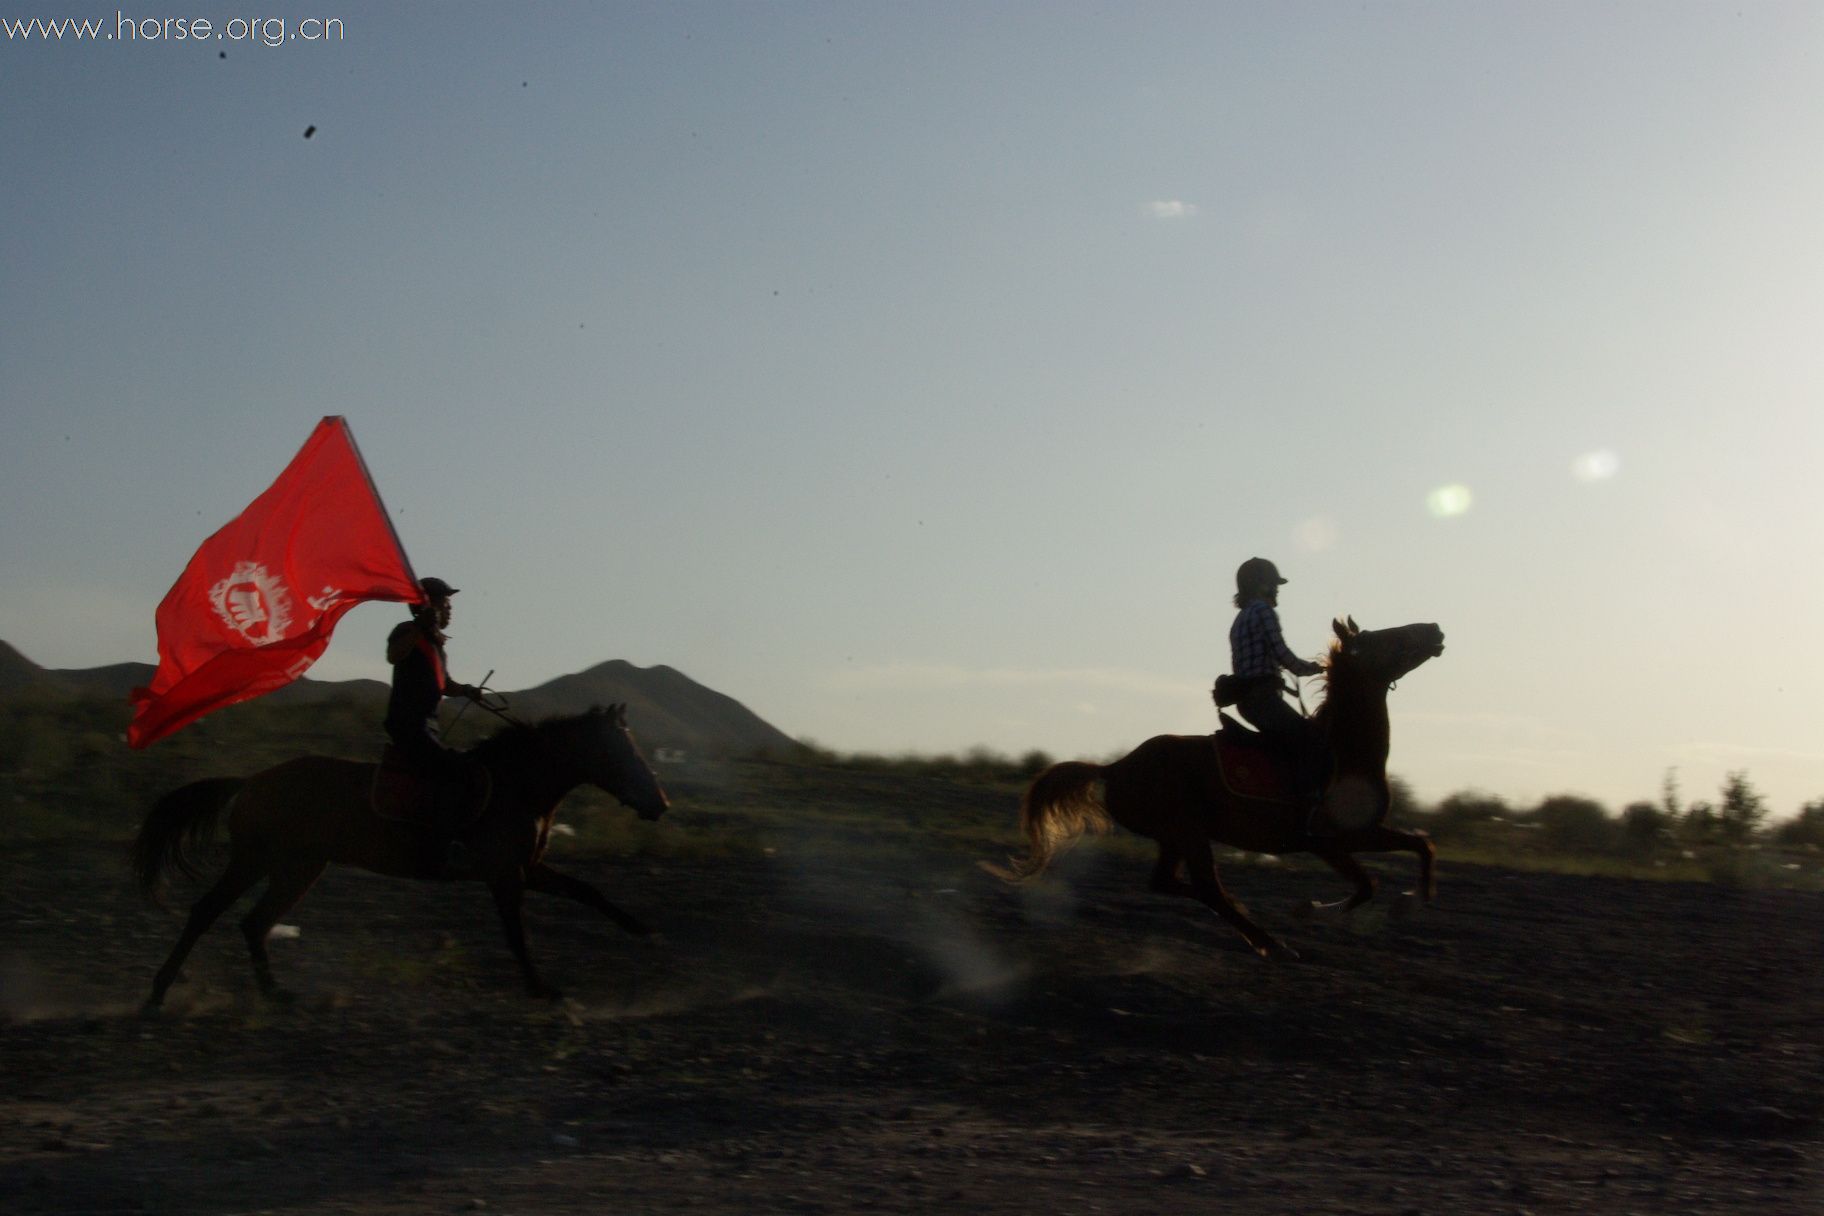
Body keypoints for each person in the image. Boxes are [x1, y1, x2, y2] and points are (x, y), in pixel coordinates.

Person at [384, 577, 487, 872]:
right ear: (428, 605)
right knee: (454, 771)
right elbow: (393, 655)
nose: (450, 609)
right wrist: (418, 627)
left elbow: (445, 685)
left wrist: (466, 690)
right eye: (445, 602)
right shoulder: (408, 632)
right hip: (408, 726)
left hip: (427, 727)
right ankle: (438, 846)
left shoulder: (435, 644)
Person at [1224, 557, 1328, 830]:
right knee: (1310, 740)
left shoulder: (1239, 619)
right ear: (1262, 585)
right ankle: (1309, 810)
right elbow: (1283, 655)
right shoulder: (1263, 612)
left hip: (1248, 701)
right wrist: (1315, 669)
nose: (1277, 590)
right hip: (1264, 700)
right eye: (1274, 584)